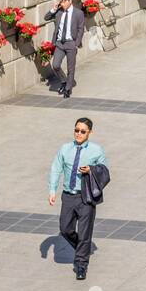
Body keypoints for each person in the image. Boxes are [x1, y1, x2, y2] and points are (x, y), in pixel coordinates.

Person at [48, 117, 108, 280]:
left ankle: (81, 264)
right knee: (65, 228)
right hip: (68, 196)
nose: (79, 134)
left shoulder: (96, 150)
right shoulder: (65, 149)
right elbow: (55, 168)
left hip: (85, 197)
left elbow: (105, 171)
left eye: (83, 131)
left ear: (89, 132)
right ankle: (83, 247)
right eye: (76, 130)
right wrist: (52, 190)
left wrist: (91, 169)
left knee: (84, 232)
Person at [44, 0, 86, 99]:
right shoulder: (58, 12)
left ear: (69, 1)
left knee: (70, 68)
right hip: (60, 43)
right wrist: (54, 8)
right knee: (56, 65)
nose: (61, 4)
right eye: (60, 2)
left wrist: (76, 43)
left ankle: (68, 89)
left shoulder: (78, 13)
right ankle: (63, 81)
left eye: (63, 2)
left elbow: (81, 29)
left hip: (71, 43)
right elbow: (46, 17)